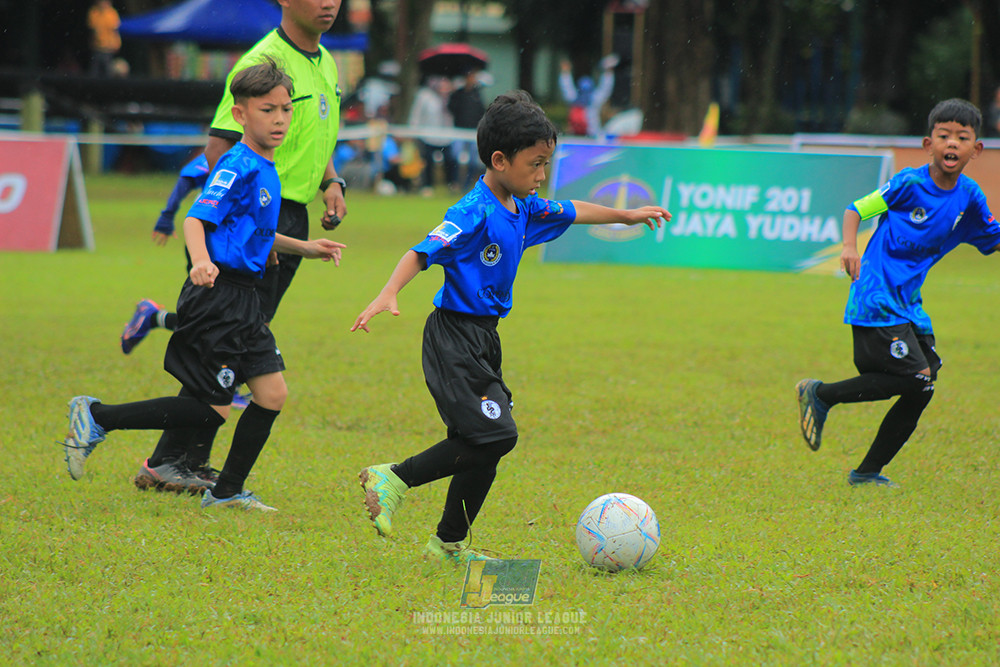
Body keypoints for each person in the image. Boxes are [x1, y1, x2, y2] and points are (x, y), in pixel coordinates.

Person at [350, 90, 670, 563]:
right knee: (497, 435)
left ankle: (448, 544)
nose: (541, 176)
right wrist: (388, 292)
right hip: (453, 337)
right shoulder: (473, 210)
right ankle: (393, 477)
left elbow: (574, 209)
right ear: (499, 160)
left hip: (483, 339)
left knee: (480, 444)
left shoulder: (524, 207)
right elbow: (422, 251)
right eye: (535, 164)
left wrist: (625, 214)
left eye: (546, 164)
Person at [61, 60, 345, 510]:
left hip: (247, 296)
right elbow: (197, 218)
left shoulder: (266, 165)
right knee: (212, 407)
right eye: (267, 109)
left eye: (286, 110)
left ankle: (227, 493)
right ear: (240, 115)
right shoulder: (236, 164)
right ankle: (97, 416)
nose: (278, 119)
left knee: (272, 394)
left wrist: (305, 247)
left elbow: (253, 230)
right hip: (221, 296)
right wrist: (201, 262)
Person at [118, 0, 349, 491]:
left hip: (286, 216)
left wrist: (333, 181)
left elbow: (322, 135)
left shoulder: (326, 61)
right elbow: (220, 146)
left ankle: (178, 459)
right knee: (229, 342)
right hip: (248, 222)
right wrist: (239, 229)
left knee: (235, 342)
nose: (330, 2)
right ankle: (166, 459)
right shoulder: (263, 62)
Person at [796, 98, 1000, 487]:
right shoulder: (909, 182)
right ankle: (821, 394)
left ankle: (867, 472)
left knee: (924, 386)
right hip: (875, 296)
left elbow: (993, 235)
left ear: (977, 149)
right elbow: (856, 209)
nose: (951, 144)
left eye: (962, 137)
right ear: (928, 144)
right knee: (917, 379)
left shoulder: (969, 196)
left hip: (908, 306)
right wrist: (849, 246)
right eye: (943, 136)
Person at [408, 76, 458, 196]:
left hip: (446, 136)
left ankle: (452, 184)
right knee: (428, 160)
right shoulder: (424, 96)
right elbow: (416, 114)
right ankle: (427, 186)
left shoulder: (452, 97)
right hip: (428, 135)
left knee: (450, 160)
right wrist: (413, 130)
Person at [558, 55, 617, 138]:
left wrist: (565, 72)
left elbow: (566, 88)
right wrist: (608, 72)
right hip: (590, 135)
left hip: (579, 136)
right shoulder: (594, 100)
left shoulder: (573, 99)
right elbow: (605, 89)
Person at [448, 68, 486, 189]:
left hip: (473, 130)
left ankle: (467, 183)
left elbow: (481, 111)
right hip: (459, 129)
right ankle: (454, 182)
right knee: (455, 156)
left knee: (473, 159)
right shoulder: (458, 94)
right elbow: (451, 108)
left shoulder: (477, 94)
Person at [87, 0, 121, 77]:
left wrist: (117, 44)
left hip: (108, 47)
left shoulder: (112, 13)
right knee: (94, 71)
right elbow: (92, 30)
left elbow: (115, 31)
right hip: (96, 47)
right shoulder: (93, 12)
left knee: (107, 71)